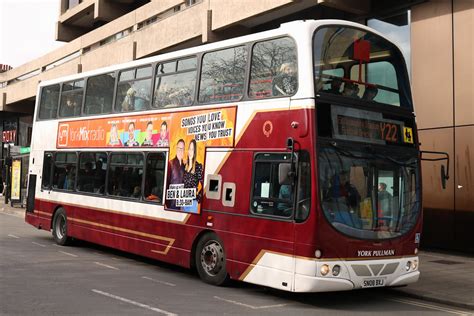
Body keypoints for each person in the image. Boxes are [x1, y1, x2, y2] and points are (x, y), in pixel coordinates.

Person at [183, 139, 203, 213]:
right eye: (189, 149)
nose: (190, 151)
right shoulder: (185, 166)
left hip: (192, 203)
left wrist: (198, 198)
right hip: (183, 202)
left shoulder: (198, 166)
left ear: (195, 152)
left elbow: (204, 185)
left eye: (192, 149)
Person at [166, 139, 186, 209]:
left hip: (181, 204)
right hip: (171, 205)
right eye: (179, 148)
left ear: (184, 150)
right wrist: (166, 204)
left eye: (182, 148)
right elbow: (166, 184)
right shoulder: (170, 164)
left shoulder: (184, 166)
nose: (181, 150)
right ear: (176, 148)